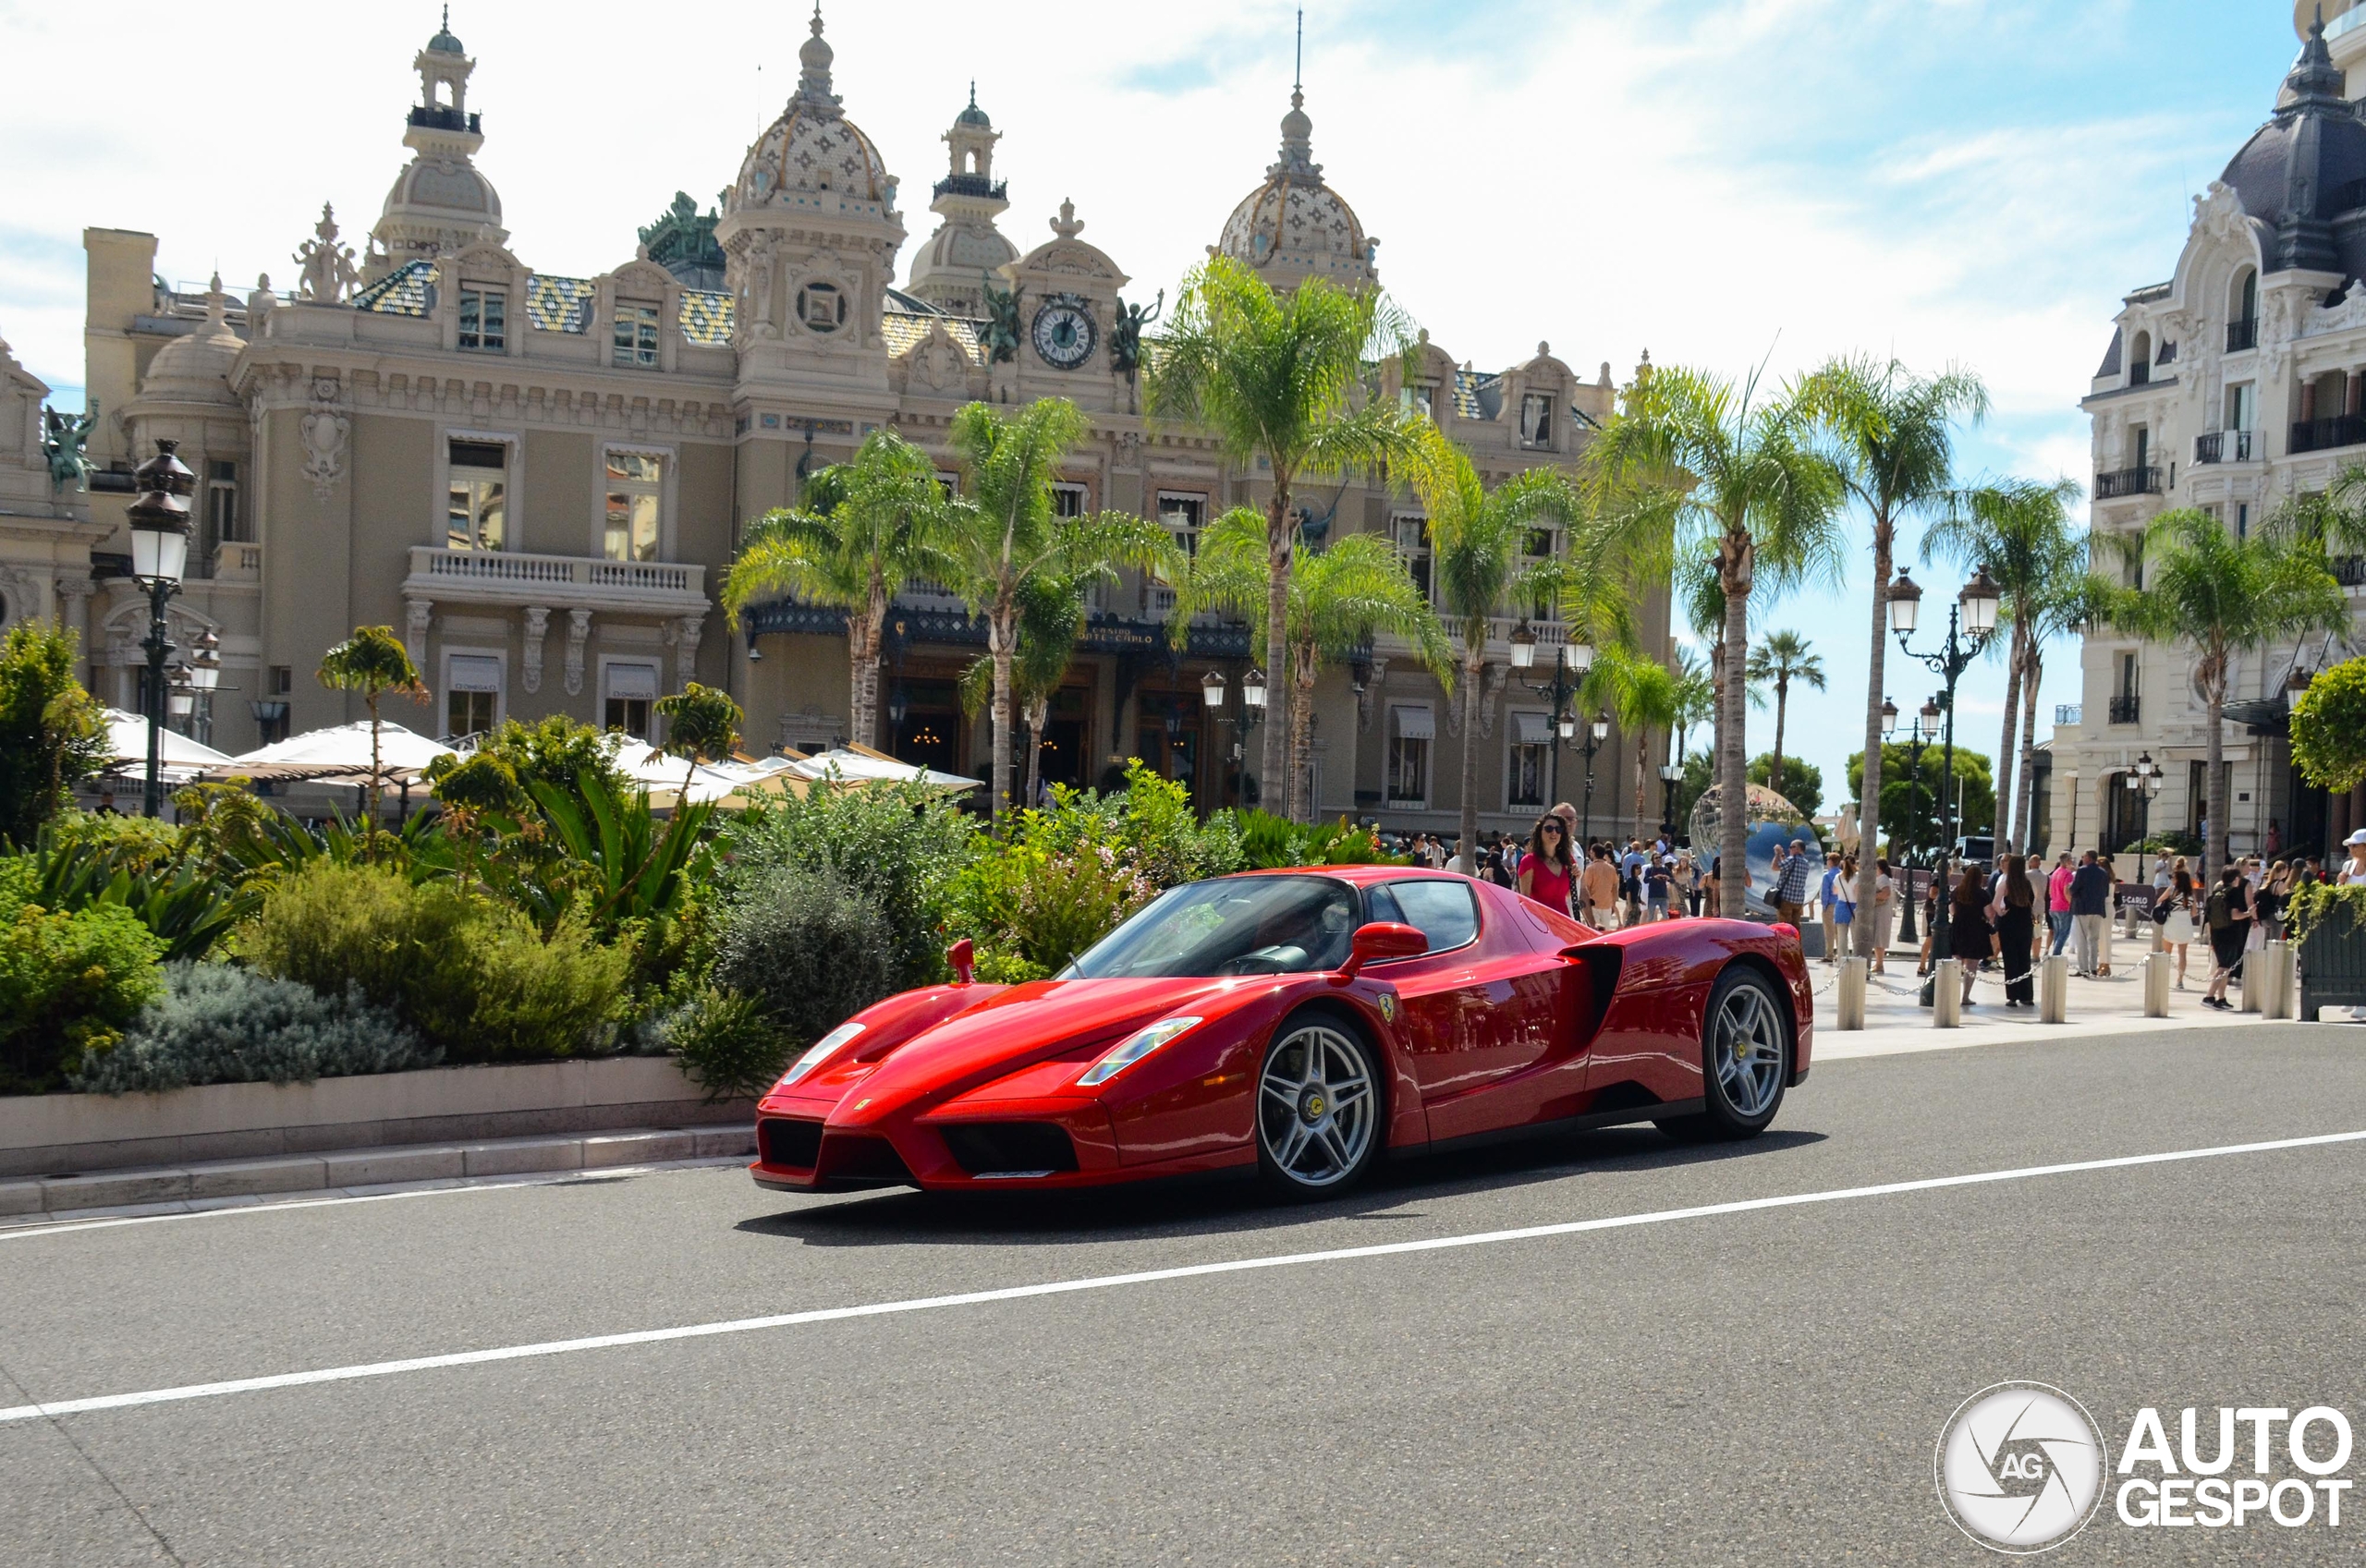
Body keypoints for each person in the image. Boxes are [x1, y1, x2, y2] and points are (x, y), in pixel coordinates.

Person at [2201, 862, 2253, 1011]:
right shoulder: (2234, 892)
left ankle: (2221, 998)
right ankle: (2209, 996)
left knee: (2225, 967)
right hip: (2230, 933)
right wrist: (2248, 914)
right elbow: (2234, 915)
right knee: (2224, 967)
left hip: (2217, 933)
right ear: (2236, 879)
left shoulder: (2217, 891)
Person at [1949, 863, 1996, 1008]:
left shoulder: (1957, 891)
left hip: (1958, 928)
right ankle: (1965, 996)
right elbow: (1990, 914)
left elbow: (1952, 911)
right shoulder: (1982, 894)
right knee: (1972, 964)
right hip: (1976, 930)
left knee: (1956, 961)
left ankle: (1952, 994)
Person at [1995, 854, 2037, 1007]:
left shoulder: (2006, 883)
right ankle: (2027, 995)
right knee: (2024, 959)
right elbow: (2033, 901)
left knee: (2010, 960)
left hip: (2008, 924)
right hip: (2025, 924)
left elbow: (1995, 903)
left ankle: (2012, 996)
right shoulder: (2027, 884)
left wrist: (2000, 913)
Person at [1516, 815, 1577, 917]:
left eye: (1558, 829)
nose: (1554, 833)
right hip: (1540, 922)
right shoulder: (1529, 861)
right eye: (1549, 829)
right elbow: (1525, 899)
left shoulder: (1567, 860)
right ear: (1540, 832)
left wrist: (1576, 876)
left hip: (1564, 921)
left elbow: (1567, 894)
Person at [2154, 863, 2201, 990]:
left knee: (2167, 952)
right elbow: (2194, 912)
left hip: (2172, 920)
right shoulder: (2190, 893)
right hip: (2185, 921)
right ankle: (2180, 980)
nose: (2171, 879)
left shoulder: (2172, 889)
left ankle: (2164, 978)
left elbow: (2159, 901)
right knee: (2182, 954)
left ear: (2177, 879)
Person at [2069, 850, 2113, 978]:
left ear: (2088, 858)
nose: (2083, 858)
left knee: (2082, 939)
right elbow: (2105, 892)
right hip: (2098, 909)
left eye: (2084, 856)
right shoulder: (2103, 873)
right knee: (2094, 940)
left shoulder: (2082, 871)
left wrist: (2070, 889)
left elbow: (2074, 888)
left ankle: (2083, 968)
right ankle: (2093, 967)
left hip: (2083, 908)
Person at [1774, 838, 1816, 928]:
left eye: (1791, 847)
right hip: (1798, 901)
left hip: (1786, 900)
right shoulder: (1806, 863)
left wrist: (1777, 854)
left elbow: (1775, 867)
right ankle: (1797, 942)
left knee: (1785, 927)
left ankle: (1786, 942)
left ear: (1797, 849)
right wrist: (1783, 857)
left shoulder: (1792, 859)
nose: (1789, 849)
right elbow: (1790, 870)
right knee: (1796, 927)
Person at [2045, 853, 2075, 956]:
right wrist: (2072, 904)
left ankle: (2056, 954)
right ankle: (2056, 954)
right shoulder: (2068, 874)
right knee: (2064, 933)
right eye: (2071, 859)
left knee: (2057, 933)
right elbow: (2066, 891)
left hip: (2054, 905)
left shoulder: (2055, 873)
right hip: (2064, 907)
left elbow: (2050, 891)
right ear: (2067, 861)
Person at [1818, 853, 1844, 966]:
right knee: (1839, 931)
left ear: (1831, 861)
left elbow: (1825, 893)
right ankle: (1840, 954)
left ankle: (1829, 955)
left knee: (1829, 931)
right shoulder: (1842, 874)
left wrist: (1824, 906)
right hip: (1841, 905)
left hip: (1830, 905)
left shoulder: (1827, 876)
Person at [1644, 855, 1672, 922]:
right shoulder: (1650, 869)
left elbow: (1673, 880)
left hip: (1663, 895)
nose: (1658, 859)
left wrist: (1668, 878)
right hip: (1652, 896)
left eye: (1659, 857)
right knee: (1650, 916)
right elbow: (1645, 880)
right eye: (1656, 858)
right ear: (1653, 860)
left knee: (1665, 916)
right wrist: (1654, 877)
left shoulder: (1665, 868)